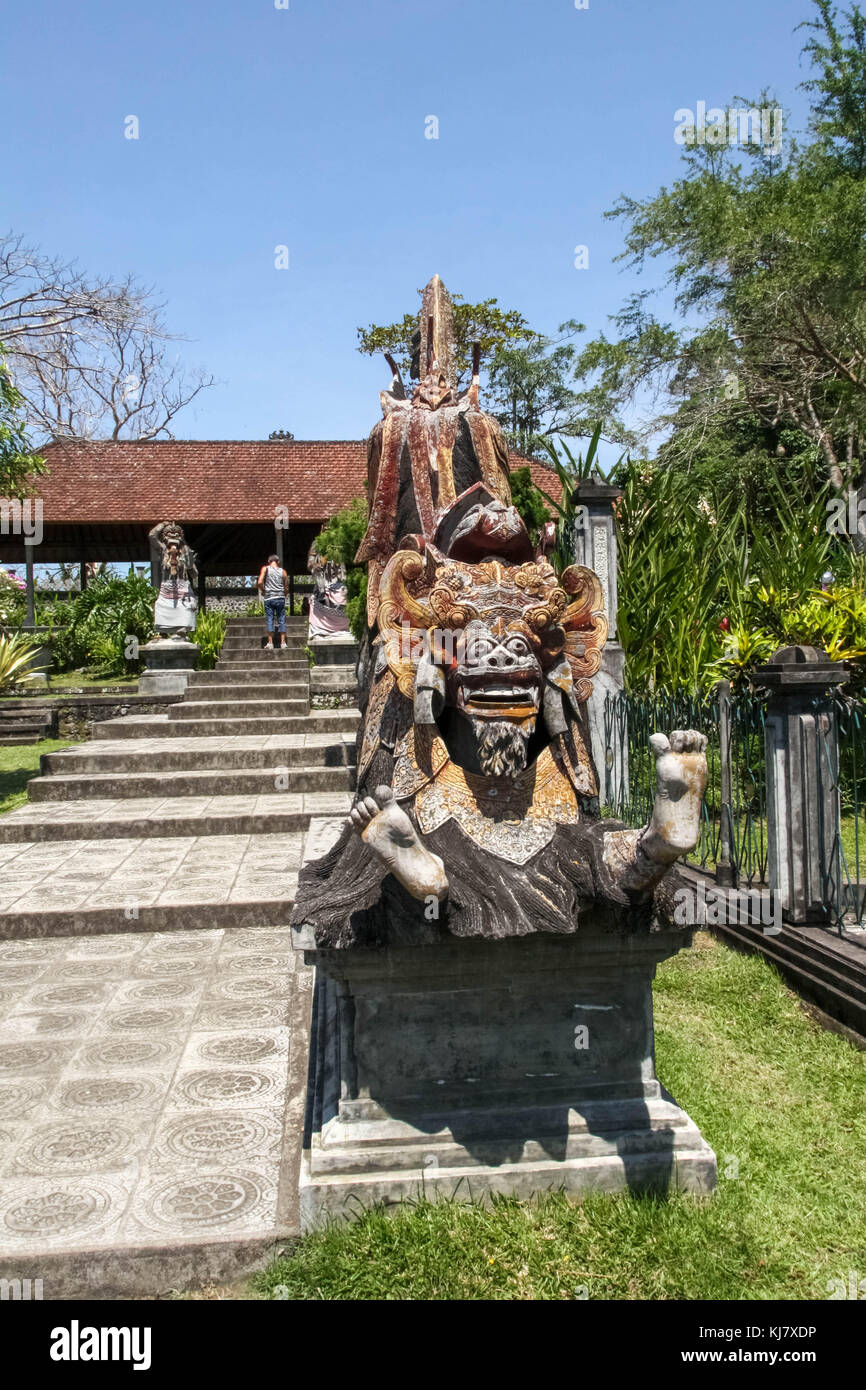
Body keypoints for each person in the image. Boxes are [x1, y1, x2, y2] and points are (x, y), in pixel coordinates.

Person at [257, 554, 290, 650]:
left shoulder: (265, 569)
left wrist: (263, 590)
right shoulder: (283, 572)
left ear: (269, 561)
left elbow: (259, 582)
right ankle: (283, 643)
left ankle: (270, 643)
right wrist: (283, 595)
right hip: (280, 598)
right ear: (278, 561)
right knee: (281, 619)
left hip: (269, 598)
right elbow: (286, 587)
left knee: (270, 619)